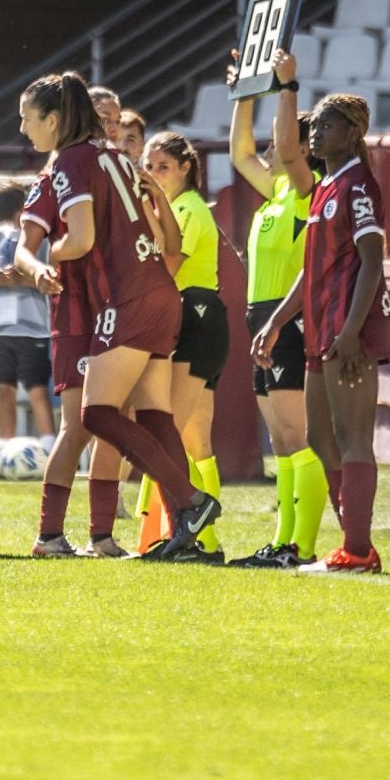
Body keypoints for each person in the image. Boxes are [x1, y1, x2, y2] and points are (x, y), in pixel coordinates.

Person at [14, 71, 219, 562]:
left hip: (121, 300)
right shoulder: (120, 162)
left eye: (27, 119)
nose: (23, 129)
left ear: (54, 119)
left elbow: (79, 240)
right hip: (159, 292)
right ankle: (185, 535)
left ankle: (188, 501)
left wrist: (52, 259)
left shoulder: (67, 164)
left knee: (95, 416)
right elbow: (163, 239)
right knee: (154, 416)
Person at [252, 92, 390, 573]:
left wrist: (353, 331)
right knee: (319, 438)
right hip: (319, 327)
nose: (316, 134)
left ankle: (357, 550)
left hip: (346, 330)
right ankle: (353, 545)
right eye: (315, 128)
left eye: (326, 127)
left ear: (352, 133)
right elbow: (311, 270)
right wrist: (276, 321)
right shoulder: (324, 187)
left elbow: (373, 262)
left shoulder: (357, 186)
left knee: (352, 437)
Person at [226, 49, 333, 570]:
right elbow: (239, 152)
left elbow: (285, 149)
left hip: (287, 322)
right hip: (258, 319)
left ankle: (302, 546)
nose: (270, 151)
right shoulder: (274, 197)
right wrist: (244, 94)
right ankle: (283, 540)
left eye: (283, 145)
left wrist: (286, 87)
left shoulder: (306, 192)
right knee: (280, 442)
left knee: (296, 436)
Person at [20, 165, 131, 558]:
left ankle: (102, 538)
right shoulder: (54, 179)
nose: (111, 129)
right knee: (80, 424)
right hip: (76, 316)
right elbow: (23, 251)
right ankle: (49, 535)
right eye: (103, 120)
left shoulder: (124, 177)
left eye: (116, 122)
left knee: (116, 423)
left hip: (123, 310)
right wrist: (38, 271)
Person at [142, 130, 231, 562]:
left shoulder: (188, 209)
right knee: (196, 442)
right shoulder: (172, 207)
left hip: (196, 318)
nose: (155, 174)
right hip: (199, 322)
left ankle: (182, 531)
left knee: (163, 434)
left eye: (163, 167)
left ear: (186, 168)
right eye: (150, 166)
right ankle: (205, 541)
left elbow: (169, 266)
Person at [0, 182, 56, 442]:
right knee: (4, 387)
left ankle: (48, 444)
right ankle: (6, 446)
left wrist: (18, 280)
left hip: (32, 327)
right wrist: (3, 278)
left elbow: (43, 279)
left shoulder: (38, 239)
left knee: (36, 388)